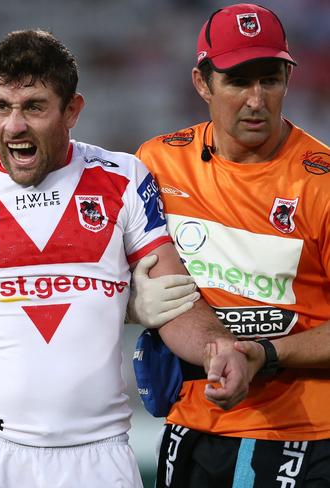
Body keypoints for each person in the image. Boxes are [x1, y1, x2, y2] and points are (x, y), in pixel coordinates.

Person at [0, 29, 254, 488]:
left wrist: (220, 350)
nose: (14, 125)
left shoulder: (125, 178)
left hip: (100, 456)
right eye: (1, 106)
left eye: (33, 106)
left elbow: (174, 301)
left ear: (72, 111)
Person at [135, 3, 330, 486]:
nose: (257, 100)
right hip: (190, 426)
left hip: (301, 434)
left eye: (271, 79)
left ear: (288, 77)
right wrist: (135, 303)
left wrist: (264, 352)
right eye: (239, 81)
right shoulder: (158, 163)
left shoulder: (322, 183)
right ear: (203, 83)